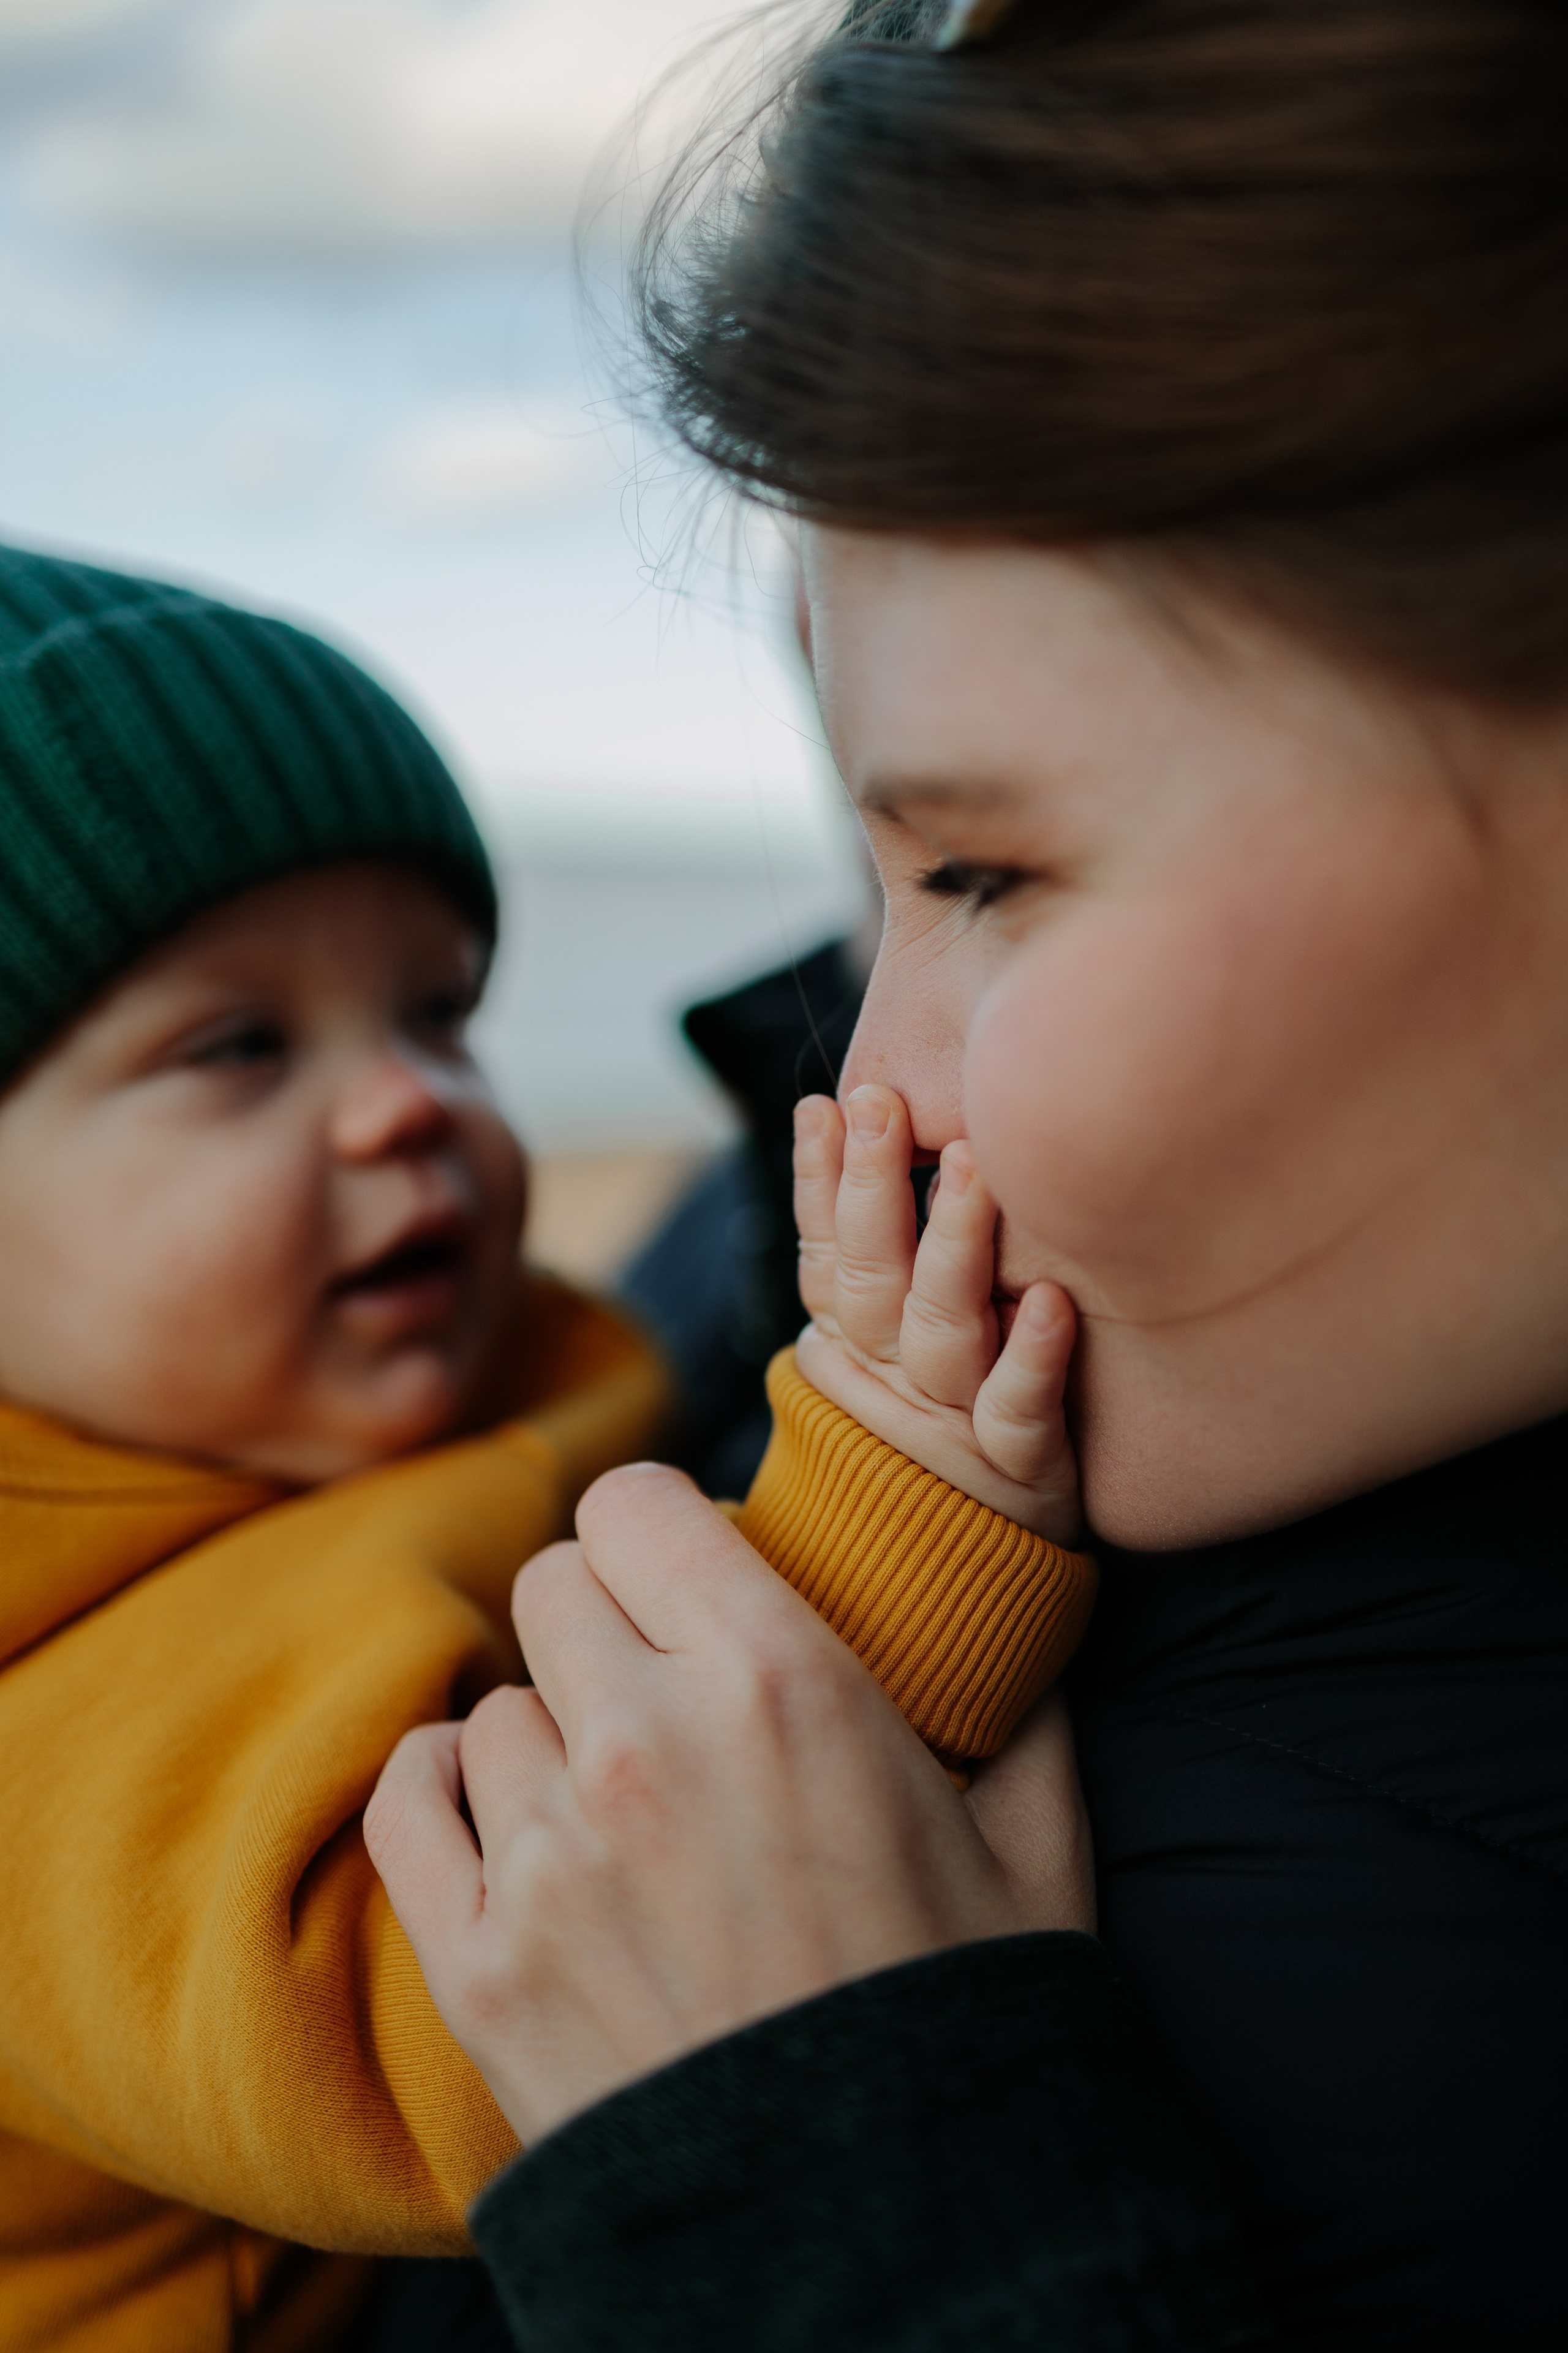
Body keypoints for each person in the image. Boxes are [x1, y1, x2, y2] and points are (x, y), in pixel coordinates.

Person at [367, 1, 1568, 2347]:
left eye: (997, 869)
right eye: (873, 869)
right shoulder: (777, 1238)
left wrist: (856, 2197)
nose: (869, 1079)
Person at [0, 538, 1095, 2350]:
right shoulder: (52, 1725)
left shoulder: (444, 1398)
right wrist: (897, 1500)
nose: (409, 1098)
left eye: (439, 1007)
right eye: (237, 1044)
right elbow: (526, 2029)